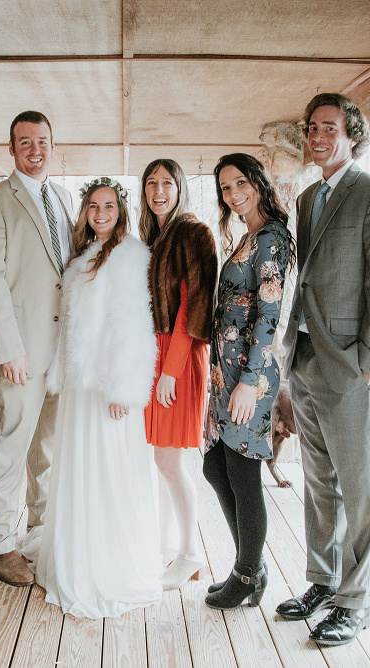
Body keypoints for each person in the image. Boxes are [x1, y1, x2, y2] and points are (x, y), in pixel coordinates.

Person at [275, 93, 370, 645]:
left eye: (329, 127)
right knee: (316, 481)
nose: (317, 136)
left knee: (361, 490)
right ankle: (324, 582)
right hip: (306, 360)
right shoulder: (308, 199)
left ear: (352, 134)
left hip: (351, 367)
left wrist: (369, 365)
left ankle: (356, 603)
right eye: (311, 128)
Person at [21, 178, 162, 618]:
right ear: (84, 212)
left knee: (108, 470)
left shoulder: (130, 255)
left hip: (107, 388)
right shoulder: (83, 255)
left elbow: (131, 324)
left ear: (120, 211)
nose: (100, 213)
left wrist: (122, 387)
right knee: (80, 466)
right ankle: (75, 552)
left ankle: (106, 561)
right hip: (80, 387)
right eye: (93, 206)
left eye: (108, 207)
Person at [0, 111, 75, 587]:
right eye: (25, 142)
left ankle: (38, 528)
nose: (36, 149)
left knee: (47, 448)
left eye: (43, 141)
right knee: (11, 445)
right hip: (20, 352)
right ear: (10, 148)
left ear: (54, 146)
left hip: (63, 351)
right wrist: (8, 349)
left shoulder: (64, 197)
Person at [203, 153, 292, 609]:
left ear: (258, 181)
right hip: (226, 373)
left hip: (247, 376)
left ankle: (246, 575)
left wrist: (249, 380)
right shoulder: (248, 236)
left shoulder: (273, 238)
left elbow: (269, 315)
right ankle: (251, 567)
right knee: (214, 467)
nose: (233, 193)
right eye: (225, 188)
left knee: (242, 475)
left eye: (240, 182)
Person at [138, 159, 218, 589]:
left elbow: (192, 308)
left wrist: (170, 371)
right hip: (159, 354)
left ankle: (190, 553)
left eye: (167, 182)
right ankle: (169, 545)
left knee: (169, 459)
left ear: (180, 188)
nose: (158, 190)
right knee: (161, 457)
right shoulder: (157, 237)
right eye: (151, 183)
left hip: (181, 356)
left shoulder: (193, 232)